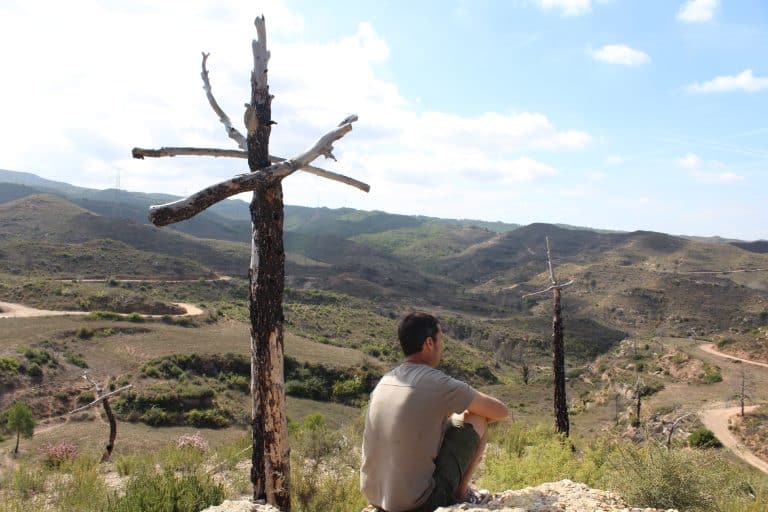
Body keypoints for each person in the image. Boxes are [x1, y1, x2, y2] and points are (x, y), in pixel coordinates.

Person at [360, 312, 509, 512]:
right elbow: (501, 412)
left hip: (375, 496)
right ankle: (461, 493)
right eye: (441, 340)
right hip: (418, 504)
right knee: (478, 417)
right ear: (429, 343)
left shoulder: (386, 380)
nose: (442, 347)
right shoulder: (439, 383)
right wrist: (467, 396)